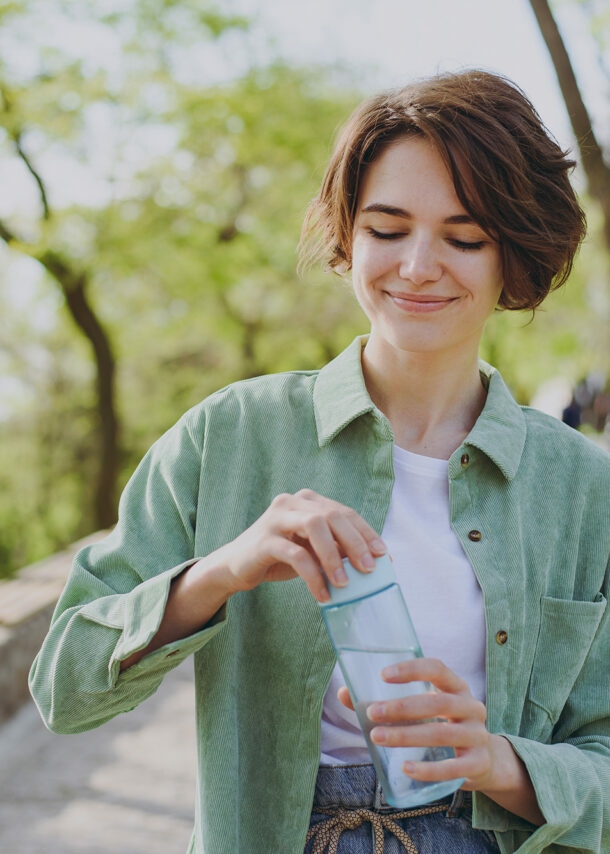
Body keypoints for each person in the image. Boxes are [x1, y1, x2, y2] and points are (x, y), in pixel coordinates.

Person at [29, 69, 610, 854]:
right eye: (386, 228)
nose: (416, 267)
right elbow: (63, 688)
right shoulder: (230, 434)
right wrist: (217, 575)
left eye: (464, 237)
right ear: (347, 237)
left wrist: (500, 763)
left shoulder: (581, 488)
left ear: (515, 255)